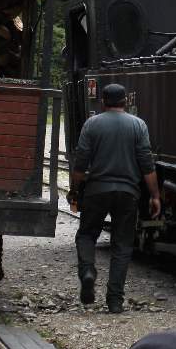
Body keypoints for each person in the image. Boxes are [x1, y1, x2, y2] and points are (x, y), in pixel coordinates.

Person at [69, 82, 160, 313]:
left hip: (97, 190)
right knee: (122, 246)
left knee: (87, 235)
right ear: (126, 102)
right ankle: (115, 300)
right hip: (128, 193)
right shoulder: (138, 125)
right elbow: (147, 165)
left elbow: (80, 164)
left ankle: (88, 271)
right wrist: (155, 195)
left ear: (103, 102)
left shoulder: (92, 124)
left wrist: (74, 189)